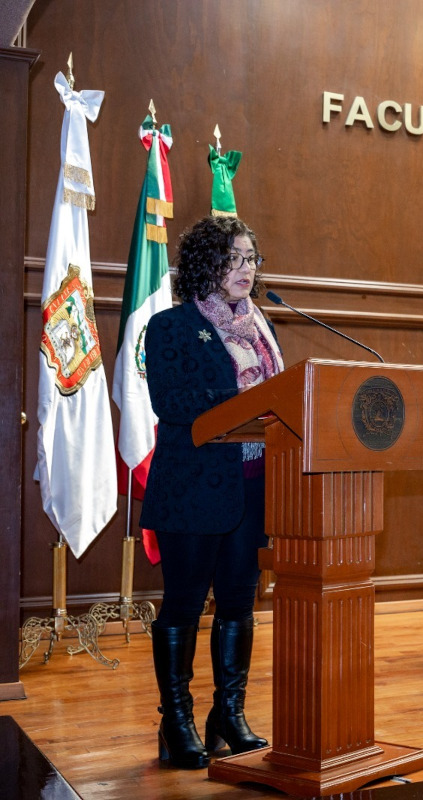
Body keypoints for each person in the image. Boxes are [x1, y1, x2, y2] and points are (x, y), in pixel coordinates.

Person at [140, 216, 282, 769]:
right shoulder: (172, 326)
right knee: (183, 605)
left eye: (251, 259)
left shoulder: (263, 327)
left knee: (239, 603)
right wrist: (250, 399)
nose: (246, 269)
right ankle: (175, 721)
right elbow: (171, 403)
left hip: (252, 488)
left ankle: (229, 713)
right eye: (234, 258)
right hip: (192, 489)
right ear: (206, 264)